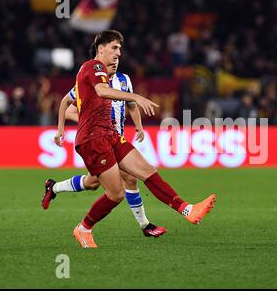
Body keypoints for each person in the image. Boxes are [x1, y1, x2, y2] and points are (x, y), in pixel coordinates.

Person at [47, 30, 216, 248]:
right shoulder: (93, 67)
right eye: (114, 48)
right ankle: (83, 228)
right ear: (101, 48)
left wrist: (136, 122)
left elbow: (97, 95)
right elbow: (101, 91)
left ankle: (187, 210)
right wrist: (135, 96)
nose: (119, 53)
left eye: (120, 49)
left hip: (110, 134)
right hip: (93, 139)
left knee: (147, 171)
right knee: (115, 193)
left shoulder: (109, 76)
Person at [42, 58, 167, 238]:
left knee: (92, 183)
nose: (114, 62)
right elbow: (66, 105)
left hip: (116, 139)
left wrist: (139, 126)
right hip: (99, 141)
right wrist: (69, 127)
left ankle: (53, 187)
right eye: (111, 57)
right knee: (129, 178)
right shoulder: (92, 80)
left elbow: (131, 104)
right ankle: (145, 225)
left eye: (117, 57)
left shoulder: (124, 80)